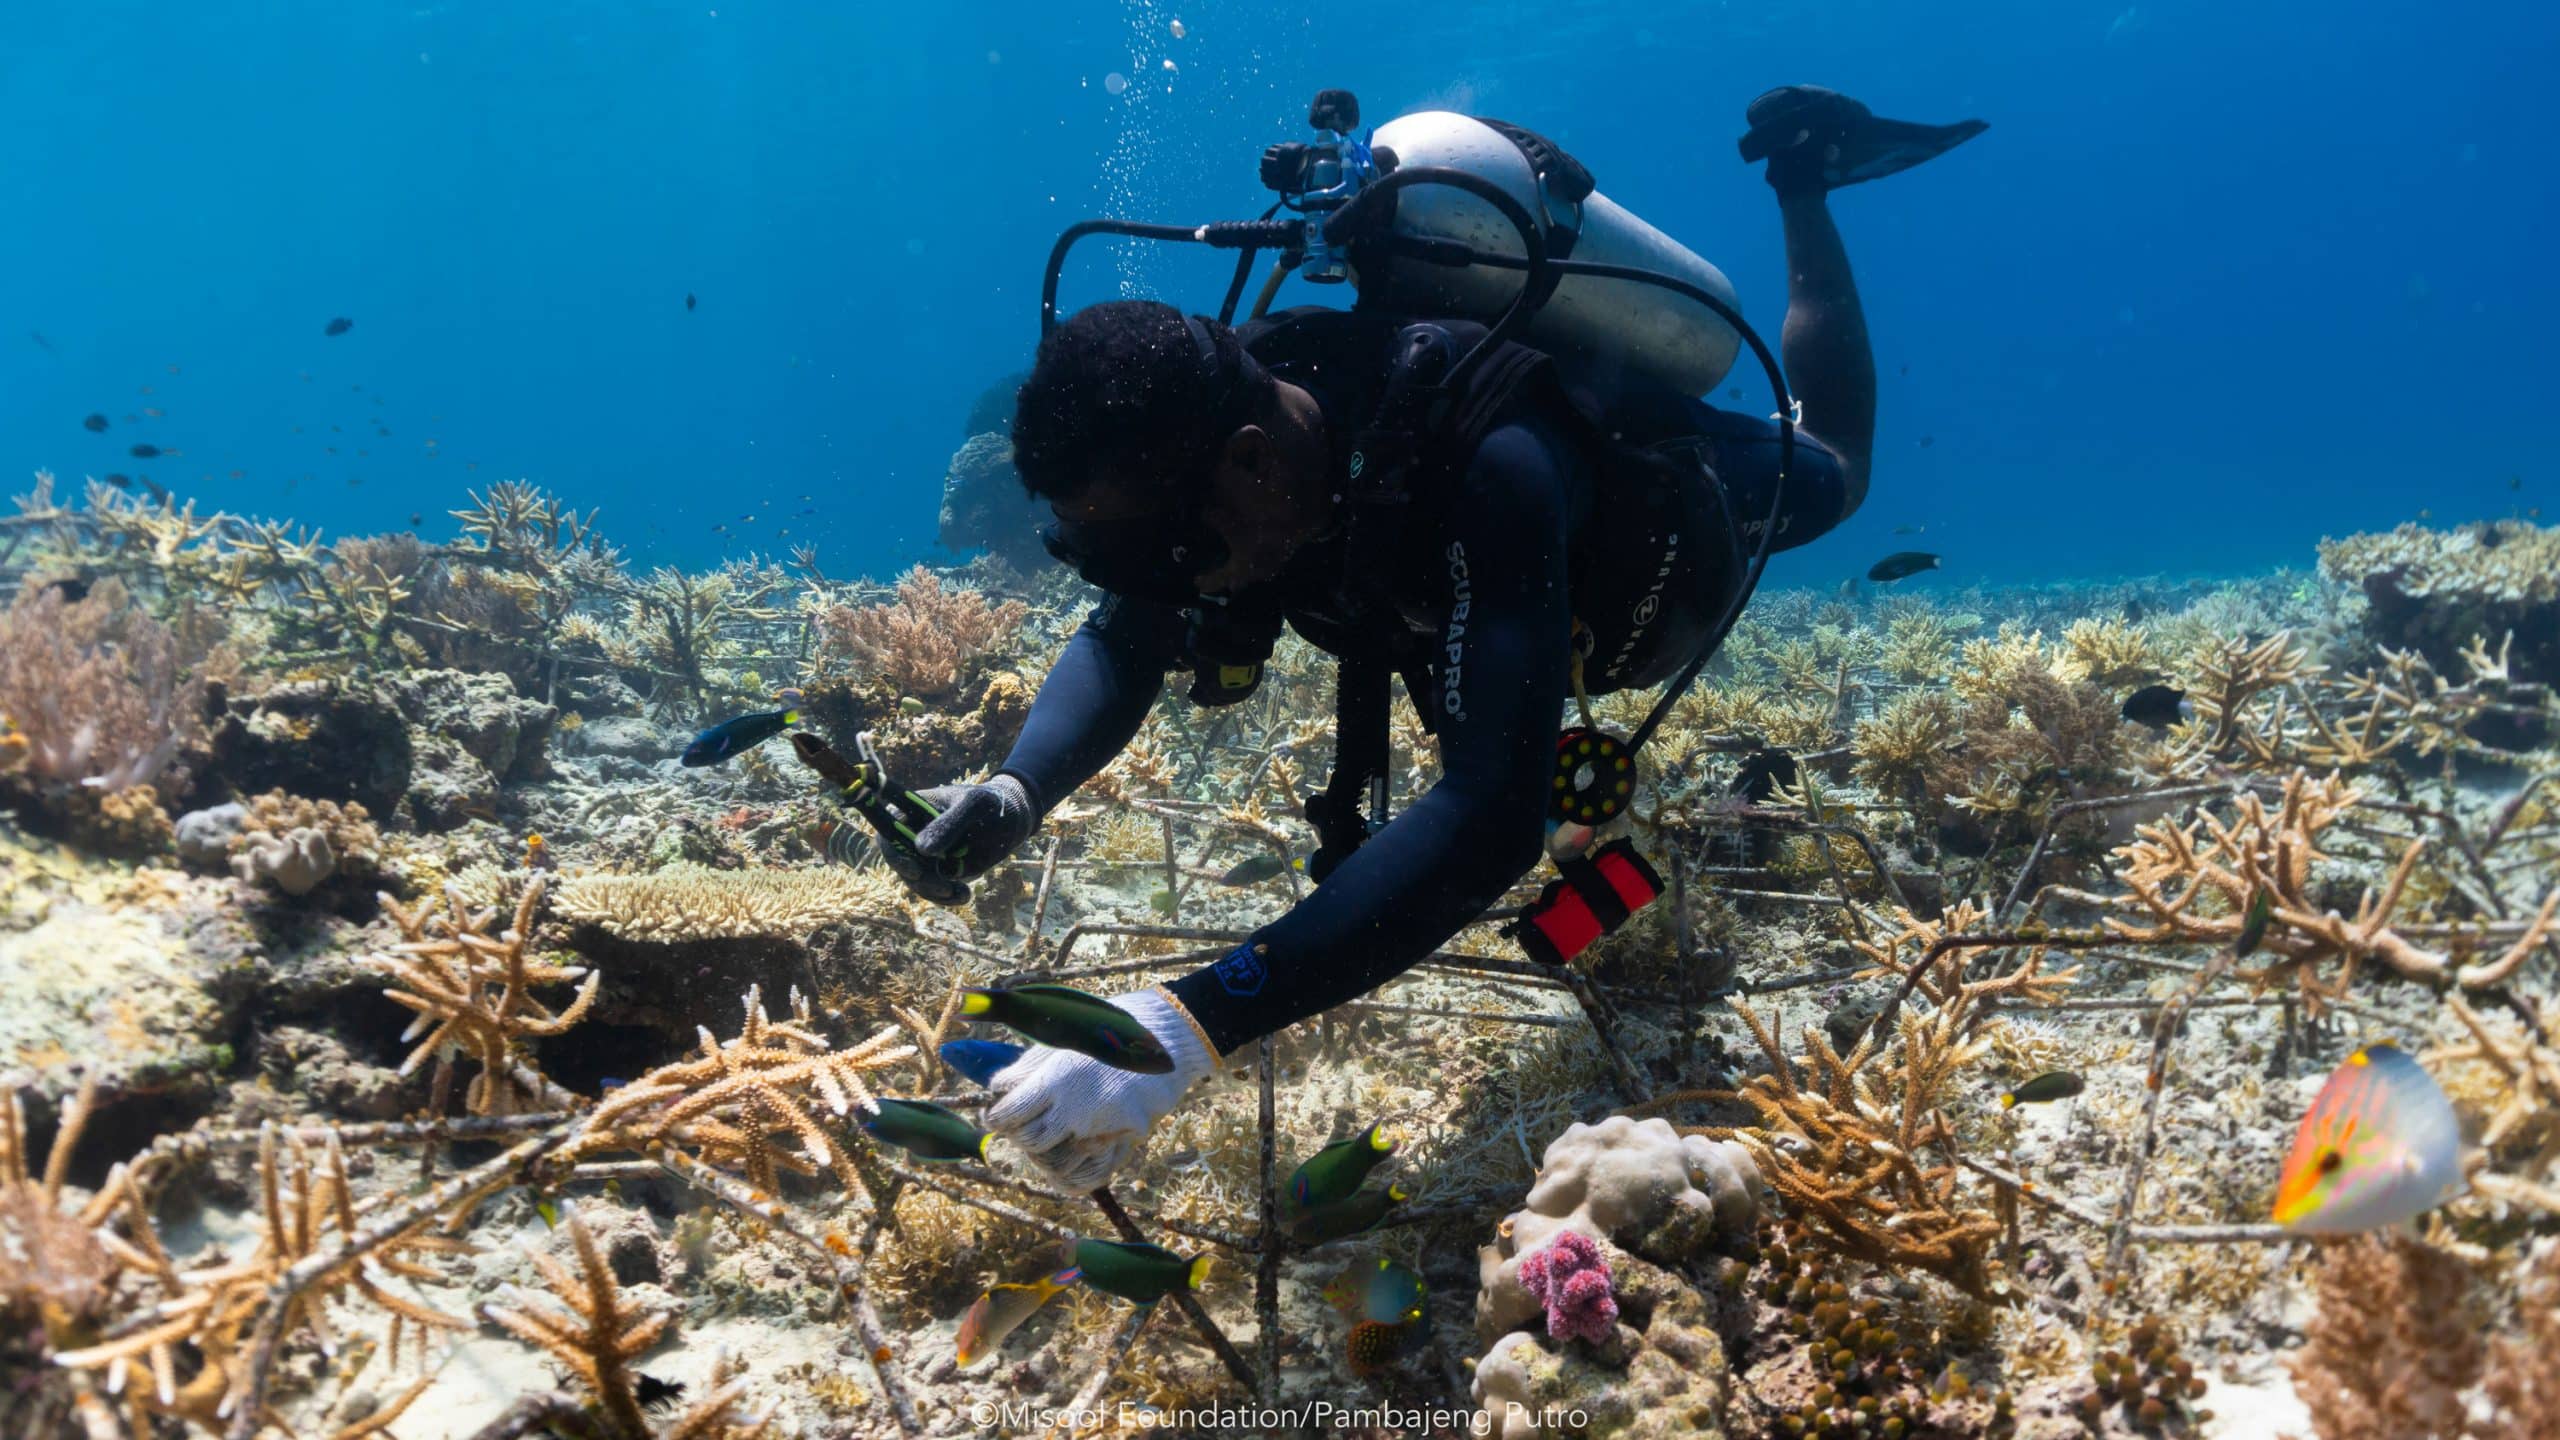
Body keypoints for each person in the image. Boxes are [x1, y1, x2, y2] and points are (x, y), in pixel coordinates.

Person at [908, 87, 1981, 1188]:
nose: (1164, 596)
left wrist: (1186, 1027)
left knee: (1838, 470)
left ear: (1250, 463)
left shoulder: (1488, 459)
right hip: (1471, 595)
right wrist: (1014, 790)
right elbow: (1123, 640)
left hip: (1659, 551)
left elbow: (1487, 816)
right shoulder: (1202, 465)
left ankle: (1804, 175)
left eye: (1169, 563)